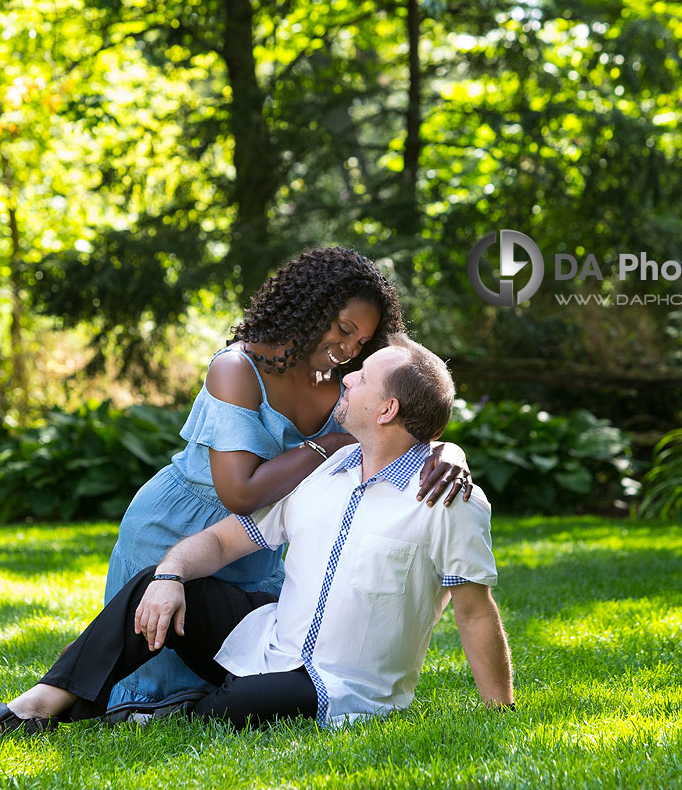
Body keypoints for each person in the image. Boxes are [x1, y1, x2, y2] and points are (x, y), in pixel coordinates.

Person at [0, 334, 512, 736]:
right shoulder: (323, 474)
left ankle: (143, 714)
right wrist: (169, 576)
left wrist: (498, 717)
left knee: (239, 706)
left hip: (340, 690)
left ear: (387, 409)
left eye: (361, 376)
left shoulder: (448, 500)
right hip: (268, 642)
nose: (346, 374)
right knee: (156, 584)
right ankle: (37, 704)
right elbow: (220, 542)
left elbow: (475, 612)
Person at [104, 247, 476, 711]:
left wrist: (446, 449)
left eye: (362, 342)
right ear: (311, 306)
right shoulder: (237, 368)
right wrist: (329, 445)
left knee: (240, 674)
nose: (350, 349)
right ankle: (45, 705)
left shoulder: (347, 376)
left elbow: (421, 392)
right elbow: (239, 493)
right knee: (151, 685)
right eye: (343, 329)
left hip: (258, 540)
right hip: (179, 526)